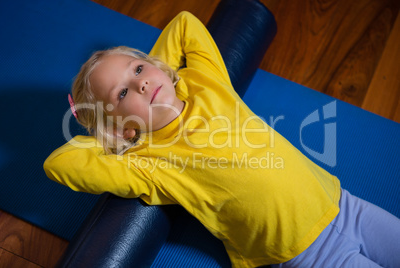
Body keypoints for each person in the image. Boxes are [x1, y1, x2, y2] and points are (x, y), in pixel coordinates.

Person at [44, 11, 400, 267]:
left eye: (138, 70)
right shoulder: (147, 164)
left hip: (345, 205)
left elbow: (184, 23)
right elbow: (59, 164)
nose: (141, 83)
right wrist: (113, 137)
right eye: (123, 94)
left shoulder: (204, 81)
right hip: (310, 255)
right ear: (125, 129)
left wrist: (161, 72)